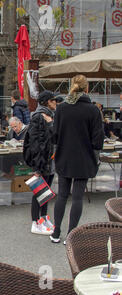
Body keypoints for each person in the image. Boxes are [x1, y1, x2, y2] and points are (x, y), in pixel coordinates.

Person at [50, 75, 104, 244]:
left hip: (64, 156)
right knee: (78, 197)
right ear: (87, 89)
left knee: (62, 196)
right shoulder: (93, 110)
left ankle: (56, 232)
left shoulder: (62, 108)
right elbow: (98, 139)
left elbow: (54, 135)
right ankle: (71, 234)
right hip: (84, 157)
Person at [23, 90, 60, 236]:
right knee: (39, 191)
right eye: (53, 101)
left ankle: (43, 218)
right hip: (43, 160)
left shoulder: (50, 116)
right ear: (46, 102)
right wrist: (38, 165)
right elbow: (36, 143)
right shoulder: (39, 117)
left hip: (49, 160)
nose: (55, 103)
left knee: (46, 191)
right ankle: (35, 221)